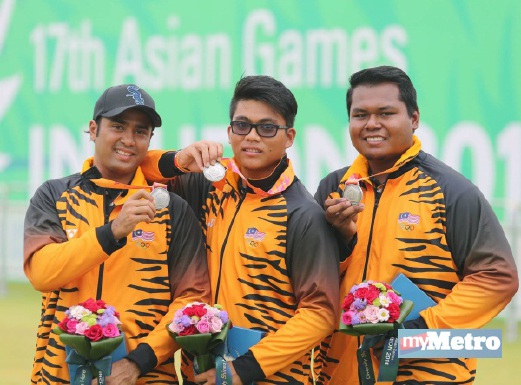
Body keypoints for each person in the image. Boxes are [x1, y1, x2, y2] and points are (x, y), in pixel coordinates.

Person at [314, 65, 519, 384]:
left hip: (426, 372)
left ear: (414, 119)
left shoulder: (452, 190)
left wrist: (420, 330)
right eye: (360, 115)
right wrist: (342, 241)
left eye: (386, 113)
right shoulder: (334, 187)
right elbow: (309, 281)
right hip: (341, 373)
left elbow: (497, 278)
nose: (372, 124)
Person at [141, 75, 340, 385]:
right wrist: (178, 159)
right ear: (229, 131)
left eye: (267, 128)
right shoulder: (207, 185)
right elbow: (134, 168)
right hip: (202, 374)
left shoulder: (303, 214)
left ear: (289, 137)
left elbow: (320, 313)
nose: (252, 137)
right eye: (242, 125)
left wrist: (242, 370)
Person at [23, 84, 211, 385]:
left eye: (140, 131)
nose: (128, 139)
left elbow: (192, 300)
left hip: (147, 376)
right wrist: (112, 232)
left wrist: (138, 362)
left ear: (150, 140)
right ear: (94, 129)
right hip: (61, 375)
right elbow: (42, 274)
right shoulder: (54, 194)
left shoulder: (172, 209)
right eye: (118, 126)